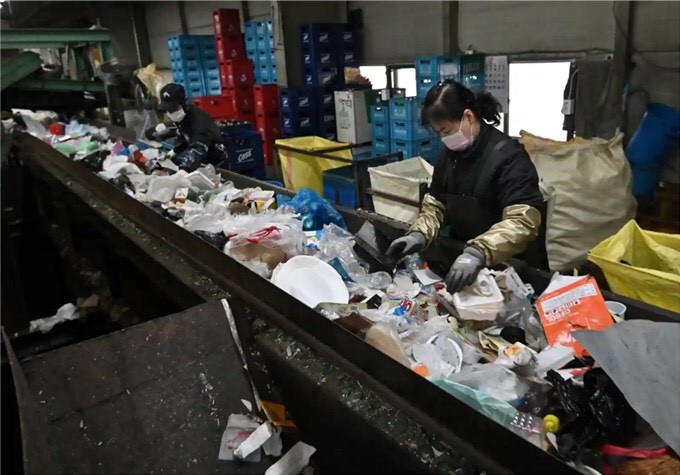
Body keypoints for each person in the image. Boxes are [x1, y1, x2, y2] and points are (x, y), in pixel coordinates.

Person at [387, 80, 547, 293]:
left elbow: (522, 221)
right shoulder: (449, 154)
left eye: (446, 130)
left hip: (510, 269)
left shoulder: (509, 157)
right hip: (464, 263)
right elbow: (436, 203)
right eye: (439, 133)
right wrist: (418, 235)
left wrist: (478, 252)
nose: (444, 138)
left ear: (468, 117)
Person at [146, 83, 226, 171]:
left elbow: (198, 148)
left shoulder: (200, 120)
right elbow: (185, 140)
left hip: (216, 165)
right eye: (166, 110)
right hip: (201, 164)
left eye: (172, 109)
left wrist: (184, 170)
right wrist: (170, 154)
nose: (169, 113)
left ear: (183, 103)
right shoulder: (182, 119)